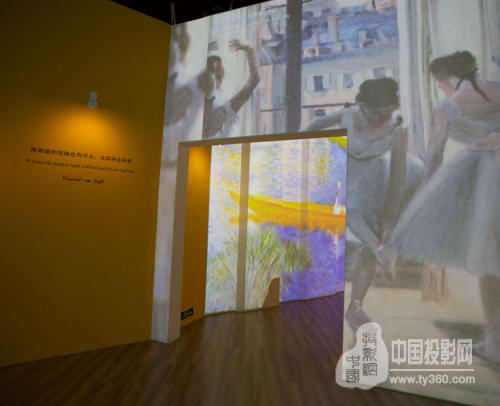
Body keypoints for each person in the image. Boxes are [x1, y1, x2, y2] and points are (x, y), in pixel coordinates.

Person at [391, 51, 500, 363]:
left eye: (439, 83)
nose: (440, 88)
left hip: (484, 178)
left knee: (491, 264)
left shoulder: (447, 106)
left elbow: (436, 152)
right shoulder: (497, 89)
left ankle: (496, 344)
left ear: (445, 80)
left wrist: (427, 189)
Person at [307, 78, 425, 333]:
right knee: (348, 207)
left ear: (394, 107)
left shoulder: (398, 130)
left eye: (382, 113)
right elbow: (314, 127)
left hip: (374, 180)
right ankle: (381, 251)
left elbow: (397, 177)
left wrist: (389, 218)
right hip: (341, 172)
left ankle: (356, 306)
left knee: (370, 236)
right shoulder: (349, 114)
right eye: (369, 111)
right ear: (360, 105)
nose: (374, 117)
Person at [199, 40, 260, 139]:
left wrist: (249, 50)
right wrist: (248, 49)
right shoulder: (224, 112)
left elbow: (255, 80)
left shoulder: (224, 112)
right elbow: (255, 80)